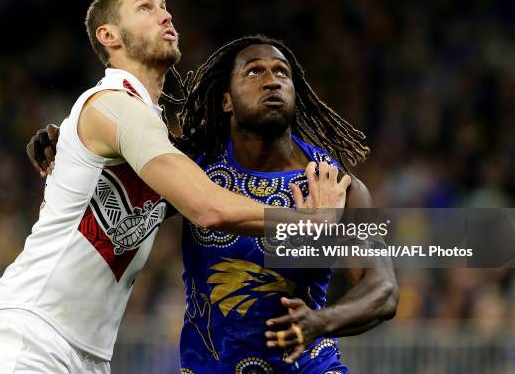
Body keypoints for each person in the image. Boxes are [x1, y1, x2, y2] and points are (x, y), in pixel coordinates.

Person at [0, 0, 348, 374]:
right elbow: (207, 208)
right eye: (145, 8)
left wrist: (327, 302)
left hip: (86, 354)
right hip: (31, 332)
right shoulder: (113, 107)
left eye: (280, 72)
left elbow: (386, 280)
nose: (165, 14)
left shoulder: (325, 178)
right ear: (109, 36)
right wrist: (314, 227)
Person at [29, 36, 398, 373]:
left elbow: (383, 290)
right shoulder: (193, 171)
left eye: (282, 73)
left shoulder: (337, 187)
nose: (272, 81)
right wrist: (73, 144)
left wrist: (321, 321)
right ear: (226, 100)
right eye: (254, 71)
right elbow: (115, 169)